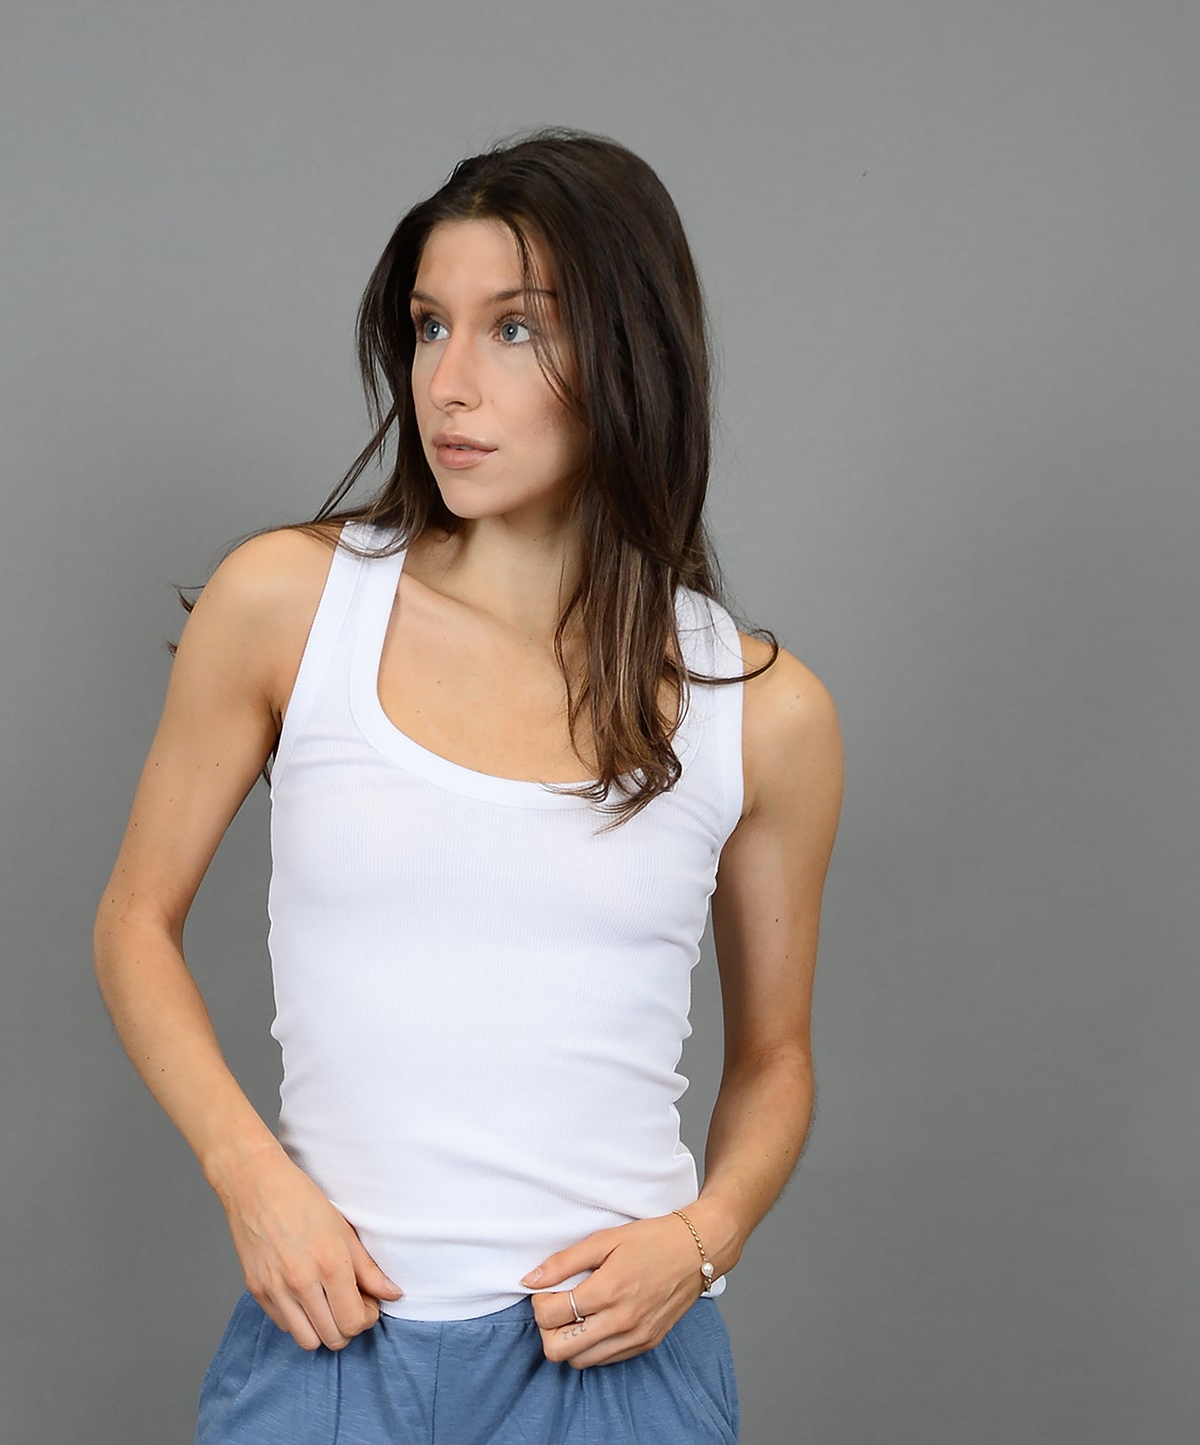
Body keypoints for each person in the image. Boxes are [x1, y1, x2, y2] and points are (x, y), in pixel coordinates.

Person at [92, 126, 843, 1444]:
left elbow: (775, 1059)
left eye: (514, 329)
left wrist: (703, 1238)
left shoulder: (762, 711)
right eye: (430, 326)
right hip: (332, 1339)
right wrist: (249, 1174)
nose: (447, 383)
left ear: (629, 356)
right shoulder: (289, 606)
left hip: (610, 1362)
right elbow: (133, 923)